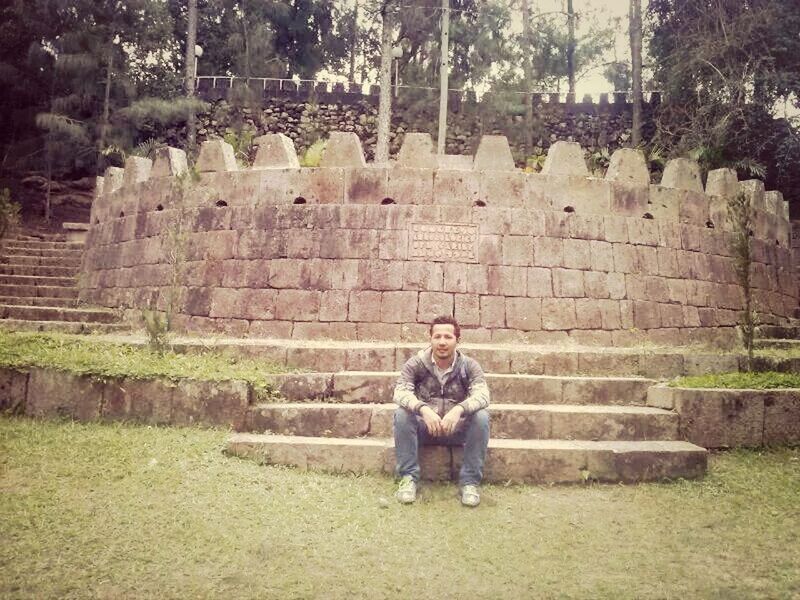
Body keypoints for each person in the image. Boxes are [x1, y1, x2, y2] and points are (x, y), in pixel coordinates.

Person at [392, 315, 490, 507]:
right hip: (425, 428)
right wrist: (423, 409)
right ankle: (408, 479)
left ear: (457, 341)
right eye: (437, 337)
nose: (442, 342)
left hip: (456, 429)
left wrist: (460, 409)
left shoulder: (469, 366)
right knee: (402, 414)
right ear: (431, 339)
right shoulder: (416, 364)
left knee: (481, 416)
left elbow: (483, 395)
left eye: (448, 337)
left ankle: (469, 482)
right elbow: (400, 392)